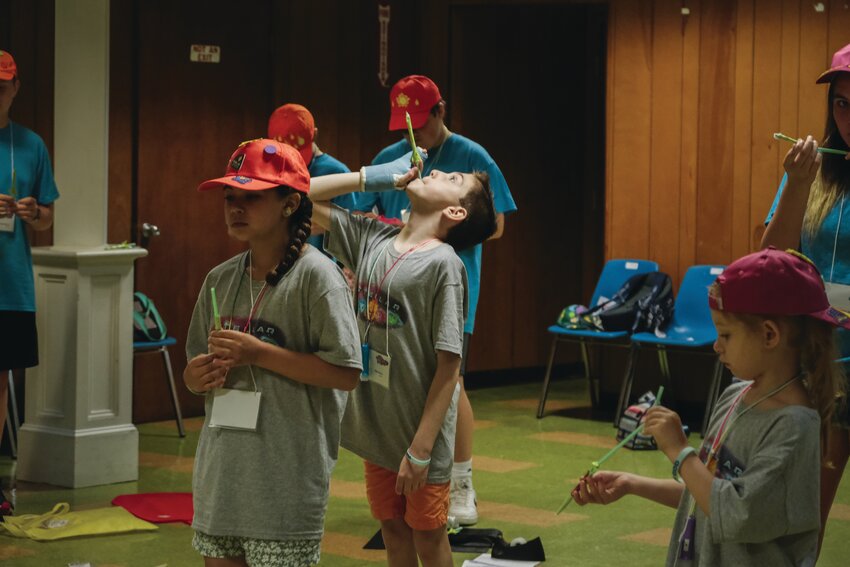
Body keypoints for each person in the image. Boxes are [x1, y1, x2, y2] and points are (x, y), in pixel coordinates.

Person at [572, 247, 847, 566]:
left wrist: (679, 450)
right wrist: (632, 484)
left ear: (769, 335)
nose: (716, 346)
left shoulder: (794, 426)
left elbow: (735, 514)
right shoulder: (735, 396)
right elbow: (707, 494)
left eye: (726, 334)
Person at [308, 151, 498, 566]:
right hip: (378, 430)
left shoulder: (444, 265)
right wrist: (366, 179)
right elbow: (294, 200)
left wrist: (421, 450)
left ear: (454, 211)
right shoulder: (371, 237)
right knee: (393, 532)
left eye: (451, 177)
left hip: (419, 440)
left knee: (428, 539)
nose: (435, 172)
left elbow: (450, 368)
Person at [184, 139, 362, 566]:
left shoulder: (318, 278)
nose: (235, 208)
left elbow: (346, 373)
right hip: (223, 475)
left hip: (284, 479)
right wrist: (198, 376)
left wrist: (258, 354)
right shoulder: (219, 279)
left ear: (289, 205)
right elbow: (192, 373)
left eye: (251, 197)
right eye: (230, 198)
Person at [354, 75, 516, 525]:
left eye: (423, 124)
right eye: (406, 126)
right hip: (394, 280)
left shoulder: (471, 157)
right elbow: (362, 213)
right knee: (398, 377)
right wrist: (398, 226)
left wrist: (436, 234)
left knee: (449, 378)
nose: (416, 137)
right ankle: (395, 464)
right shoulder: (392, 160)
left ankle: (458, 478)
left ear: (441, 111)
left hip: (442, 281)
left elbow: (493, 224)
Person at [761, 42, 850, 552]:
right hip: (822, 362)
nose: (848, 117)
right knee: (801, 520)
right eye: (841, 103)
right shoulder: (815, 169)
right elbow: (772, 254)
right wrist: (797, 182)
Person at [0, 50, 59, 518]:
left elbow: (46, 221)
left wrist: (32, 212)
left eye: (3, 86)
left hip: (12, 284)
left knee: (1, 383)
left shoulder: (31, 144)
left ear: (16, 87)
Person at [267, 103, 358, 255]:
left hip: (325, 267)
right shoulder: (271, 171)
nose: (294, 163)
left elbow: (355, 230)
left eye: (298, 153)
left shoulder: (337, 173)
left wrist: (329, 225)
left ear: (315, 134)